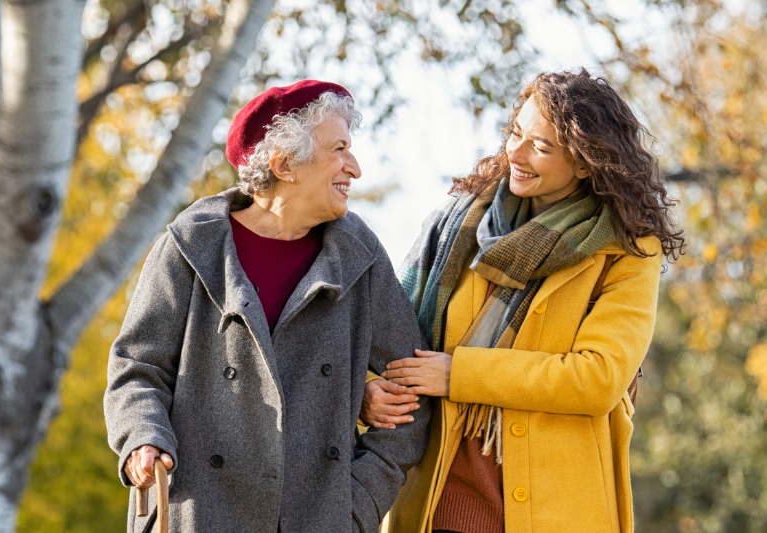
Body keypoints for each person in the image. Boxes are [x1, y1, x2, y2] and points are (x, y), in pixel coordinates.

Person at [361, 69, 684, 533]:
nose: (515, 152)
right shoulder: (458, 228)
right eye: (516, 133)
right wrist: (367, 396)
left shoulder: (626, 250)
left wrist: (460, 374)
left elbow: (597, 378)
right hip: (438, 501)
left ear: (585, 164)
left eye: (541, 146)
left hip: (561, 511)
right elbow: (387, 343)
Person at [104, 80, 431, 533]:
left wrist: (354, 508)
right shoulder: (189, 247)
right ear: (284, 163)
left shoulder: (361, 256)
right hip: (197, 515)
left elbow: (413, 390)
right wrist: (142, 438)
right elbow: (137, 369)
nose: (353, 168)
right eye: (338, 149)